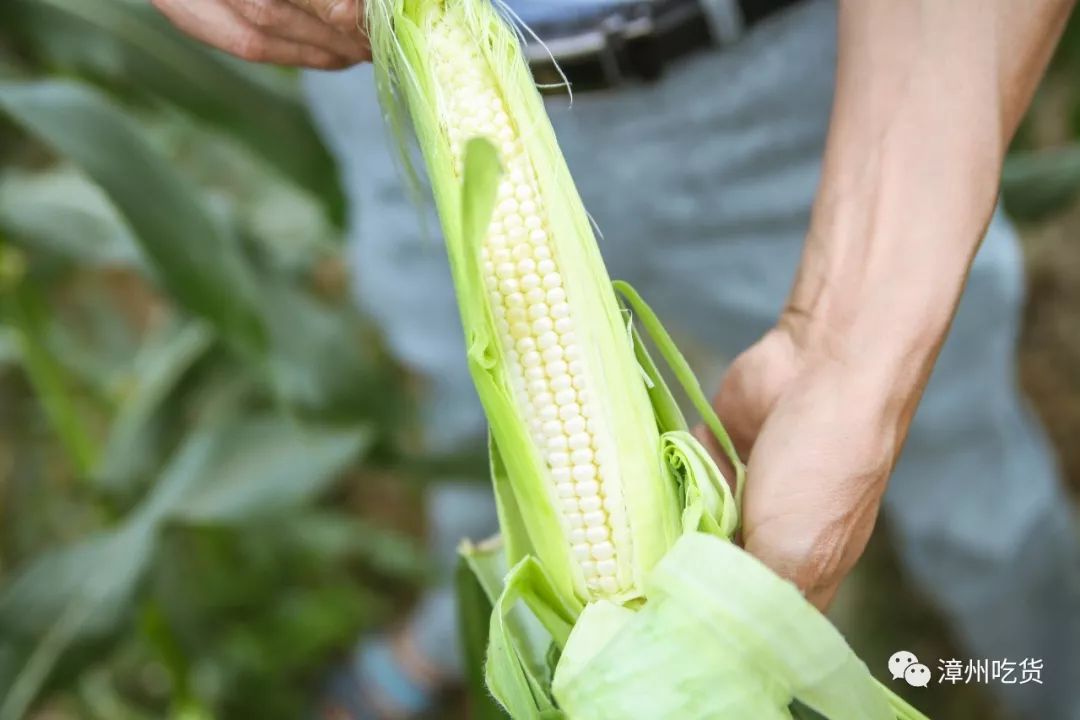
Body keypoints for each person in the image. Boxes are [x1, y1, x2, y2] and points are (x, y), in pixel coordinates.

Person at [153, 0, 1080, 718]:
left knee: (955, 459)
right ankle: (452, 626)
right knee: (464, 419)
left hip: (790, 87)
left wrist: (851, 347)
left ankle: (1049, 672)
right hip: (387, 87)